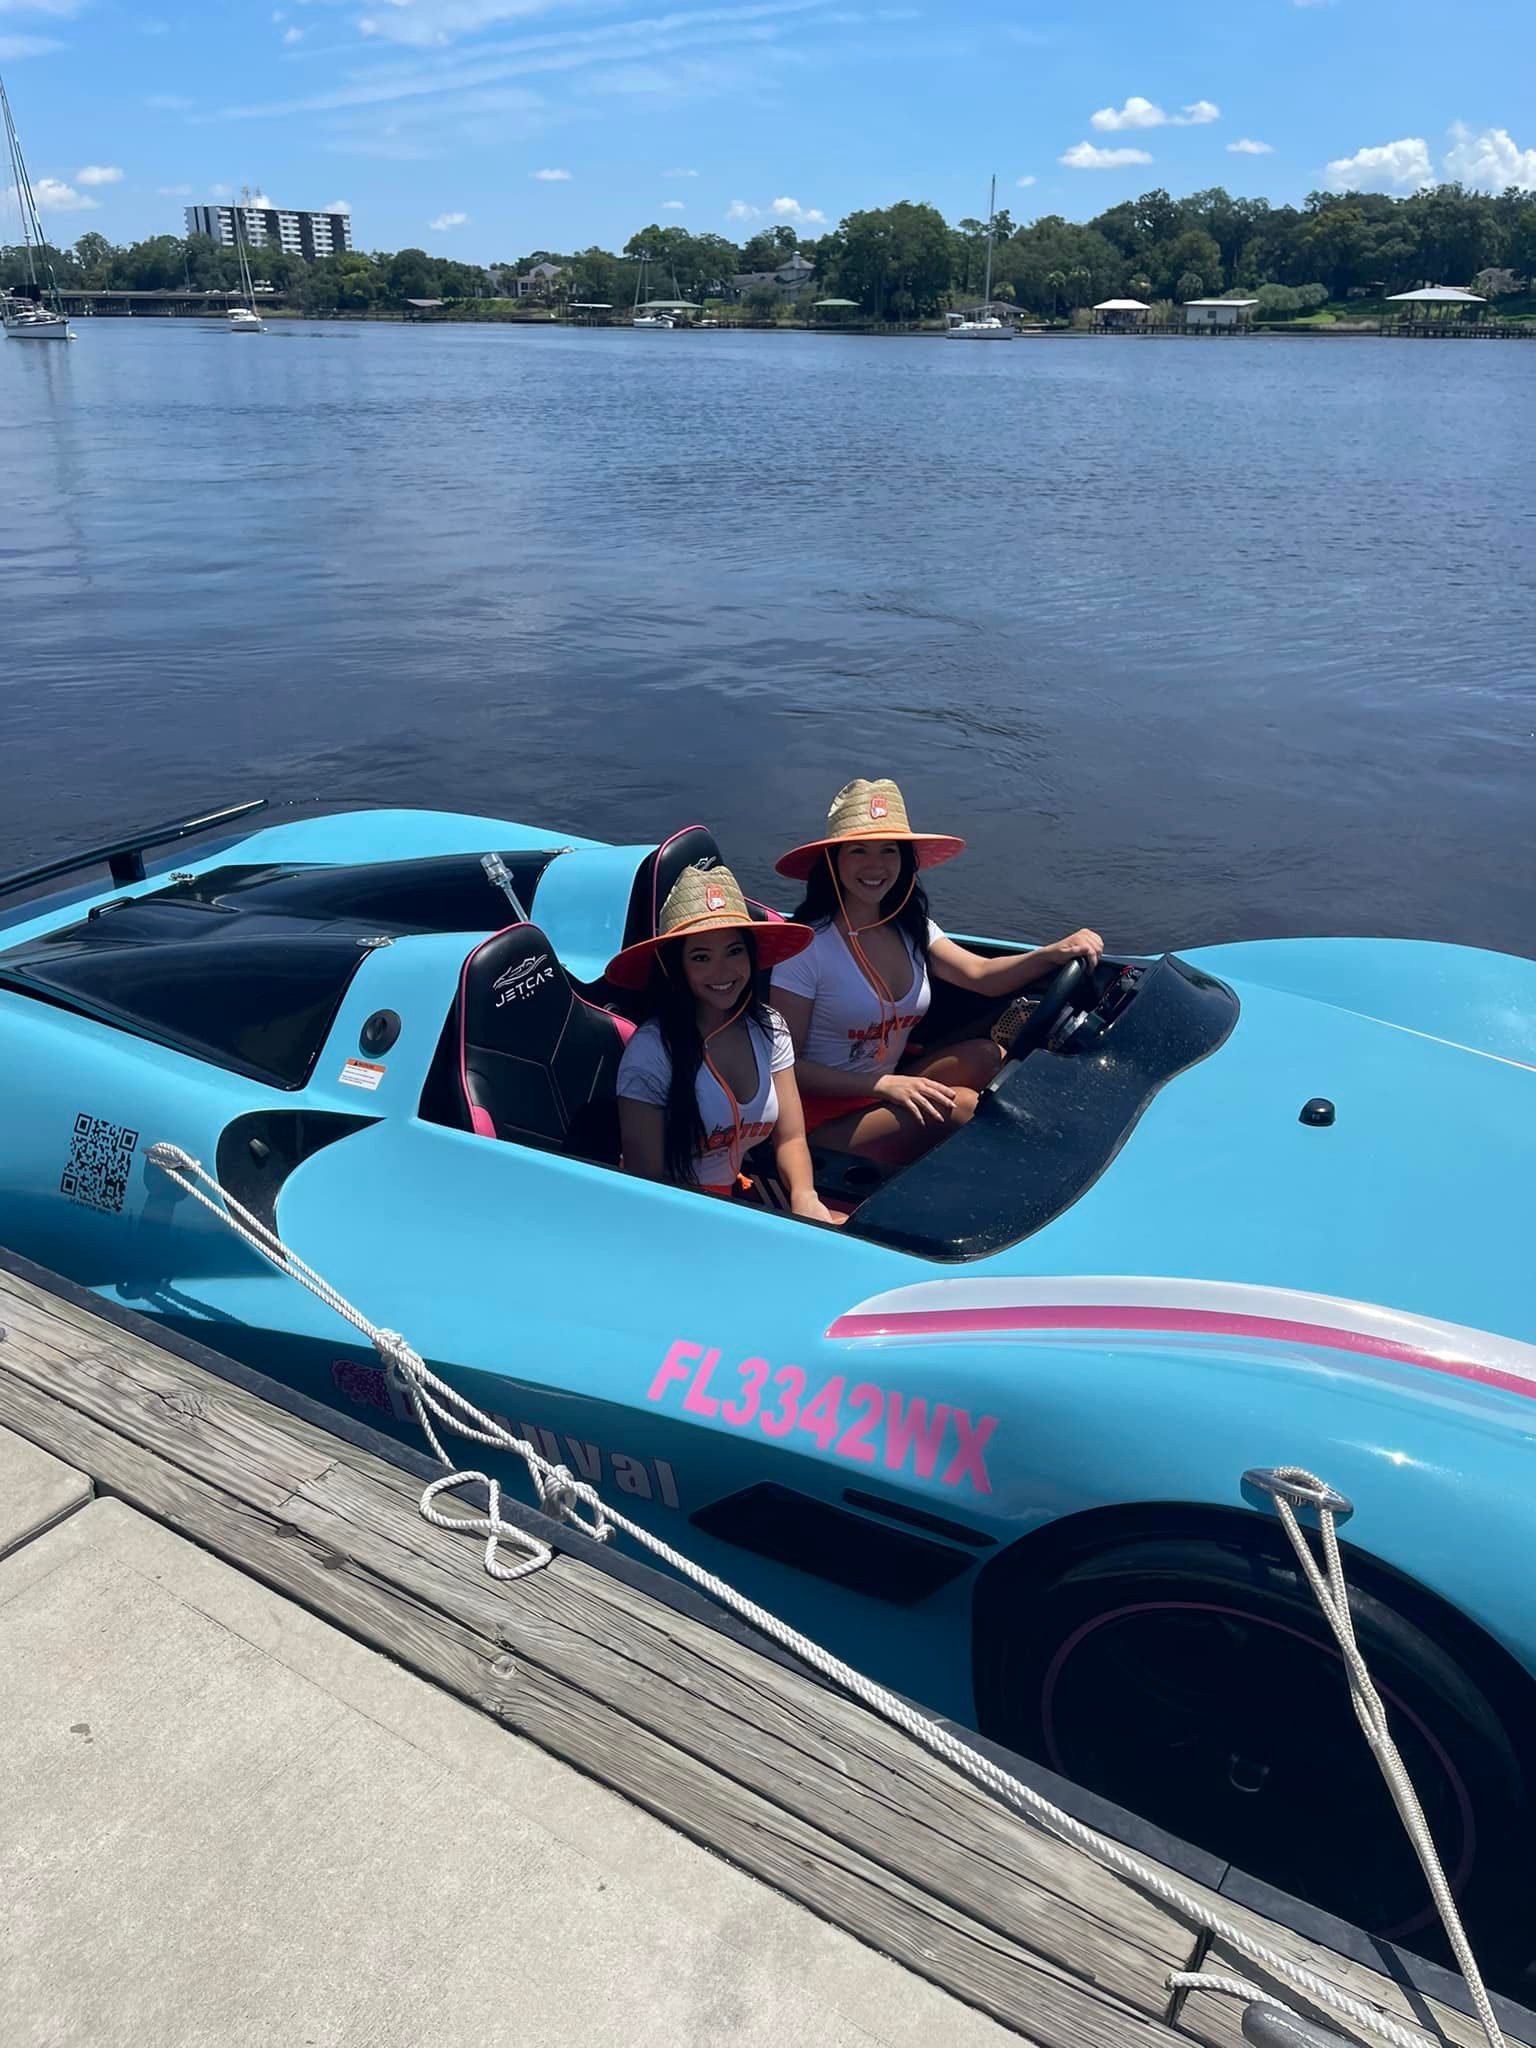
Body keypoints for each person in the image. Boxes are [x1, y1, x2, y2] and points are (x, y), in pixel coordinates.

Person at [770, 778, 1103, 1164]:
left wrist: (1051, 953)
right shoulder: (807, 949)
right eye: (858, 851)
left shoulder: (911, 927)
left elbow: (982, 975)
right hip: (817, 1118)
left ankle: (1070, 1141)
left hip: (884, 1086)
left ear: (904, 860)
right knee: (962, 1107)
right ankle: (1052, 1168)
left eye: (889, 851)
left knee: (988, 1056)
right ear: (833, 860)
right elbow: (785, 1069)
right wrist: (882, 1085)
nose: (875, 866)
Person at [606, 864, 837, 1222]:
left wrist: (805, 1196)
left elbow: (791, 1139)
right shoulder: (650, 1053)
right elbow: (646, 1187)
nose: (724, 972)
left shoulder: (770, 1028)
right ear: (674, 967)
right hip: (676, 1213)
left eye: (734, 951)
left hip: (739, 1192)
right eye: (701, 958)